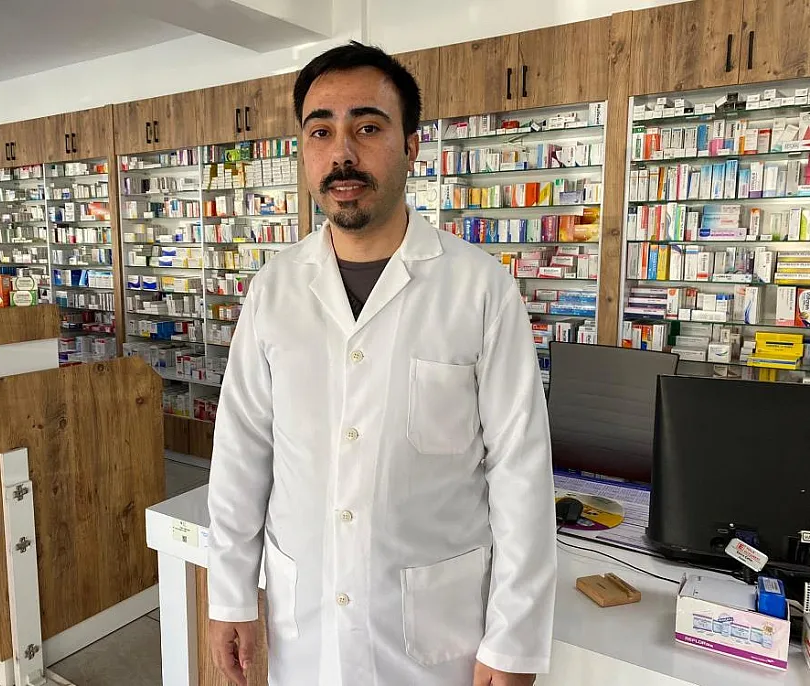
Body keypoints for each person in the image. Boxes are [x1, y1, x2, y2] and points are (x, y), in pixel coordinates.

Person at [206, 41, 557, 686]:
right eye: (321, 131)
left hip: (435, 644)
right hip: (304, 632)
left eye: (367, 128)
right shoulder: (274, 291)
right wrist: (230, 594)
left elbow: (520, 471)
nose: (342, 153)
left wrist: (514, 642)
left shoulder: (480, 289)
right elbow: (241, 450)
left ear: (411, 146)